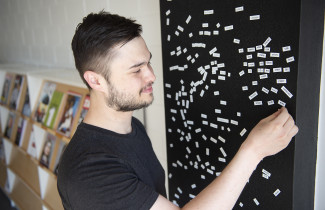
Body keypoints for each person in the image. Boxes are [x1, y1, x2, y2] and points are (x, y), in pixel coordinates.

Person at [57, 11, 298, 210]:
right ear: (96, 81)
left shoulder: (133, 128)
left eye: (148, 62)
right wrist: (253, 150)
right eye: (136, 69)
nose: (151, 75)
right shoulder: (89, 172)